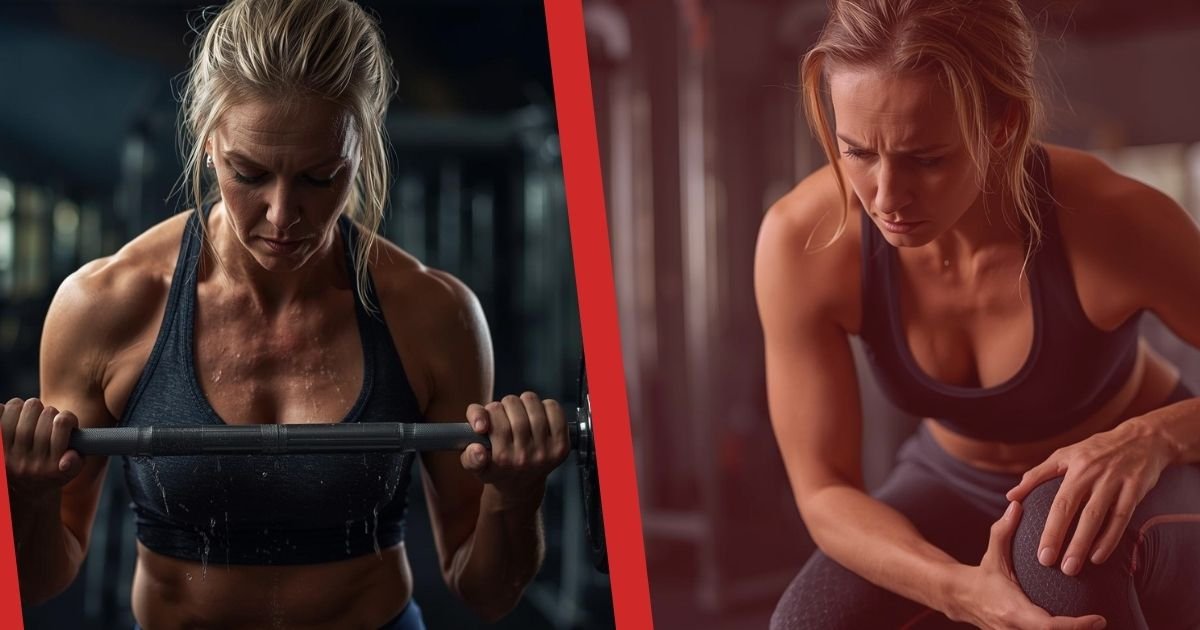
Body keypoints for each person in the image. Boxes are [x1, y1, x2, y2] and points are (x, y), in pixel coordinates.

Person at [1, 1, 570, 628]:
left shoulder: (435, 313)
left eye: (320, 177)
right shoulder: (107, 305)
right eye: (249, 173)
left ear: (362, 148)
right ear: (208, 141)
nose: (281, 215)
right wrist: (27, 498)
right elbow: (40, 578)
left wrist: (516, 497)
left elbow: (483, 589)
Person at [755, 0, 1200, 628]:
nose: (886, 198)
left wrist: (1150, 438)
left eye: (925, 159)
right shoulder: (803, 241)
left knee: (1063, 552)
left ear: (1001, 123)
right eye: (857, 152)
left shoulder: (1115, 221)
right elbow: (824, 491)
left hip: (1144, 476)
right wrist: (957, 589)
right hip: (950, 478)